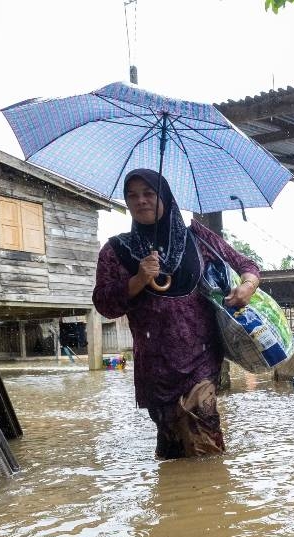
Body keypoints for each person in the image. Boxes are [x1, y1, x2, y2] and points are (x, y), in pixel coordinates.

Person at [92, 168, 261, 459]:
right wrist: (137, 280)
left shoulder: (198, 238)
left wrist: (248, 285)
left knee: (204, 437)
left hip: (201, 357)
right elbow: (104, 304)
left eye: (149, 193)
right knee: (172, 448)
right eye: (132, 196)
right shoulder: (115, 250)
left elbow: (245, 264)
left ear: (165, 198)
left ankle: (213, 497)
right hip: (155, 365)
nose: (140, 201)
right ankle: (174, 500)